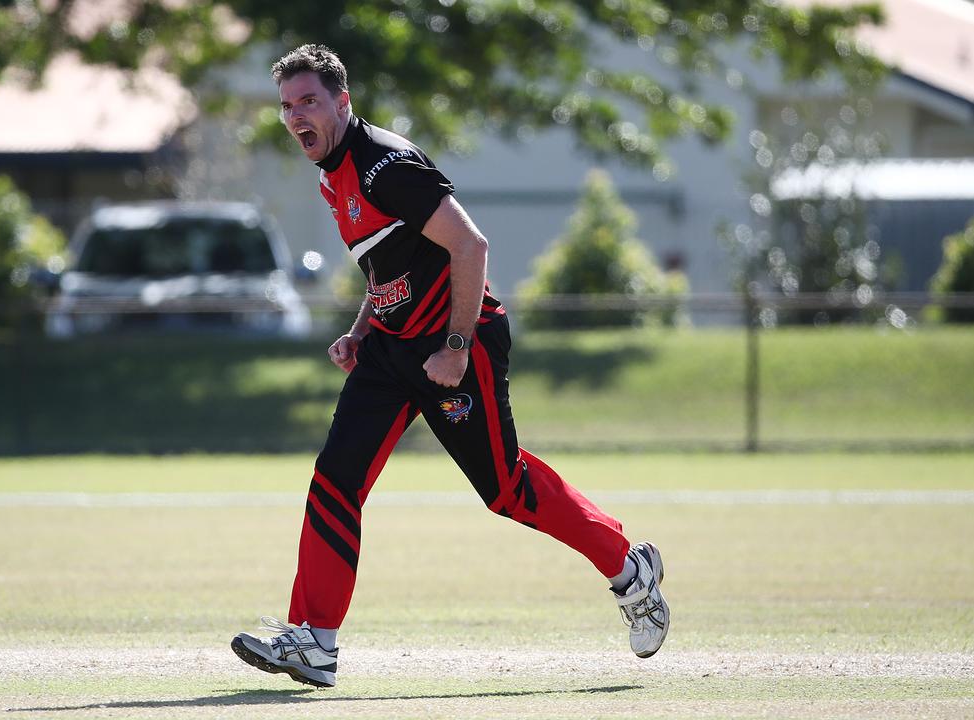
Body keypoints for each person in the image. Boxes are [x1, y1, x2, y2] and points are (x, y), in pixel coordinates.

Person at [231, 44, 669, 689]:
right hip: (390, 346)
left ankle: (629, 569)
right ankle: (314, 641)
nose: (297, 116)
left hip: (456, 344)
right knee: (335, 479)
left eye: (310, 102)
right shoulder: (332, 169)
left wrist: (457, 346)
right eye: (288, 106)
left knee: (505, 489)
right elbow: (388, 265)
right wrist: (358, 332)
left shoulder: (384, 165)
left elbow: (470, 245)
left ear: (342, 103)